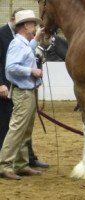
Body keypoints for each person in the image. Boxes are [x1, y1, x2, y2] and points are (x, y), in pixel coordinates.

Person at [0, 10, 46, 180]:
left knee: (25, 130)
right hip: (23, 92)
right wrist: (31, 70)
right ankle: (4, 165)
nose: (34, 27)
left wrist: (36, 39)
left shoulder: (22, 43)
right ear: (26, 25)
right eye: (33, 24)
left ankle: (21, 164)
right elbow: (10, 67)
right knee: (17, 129)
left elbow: (26, 52)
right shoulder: (17, 44)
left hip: (28, 91)